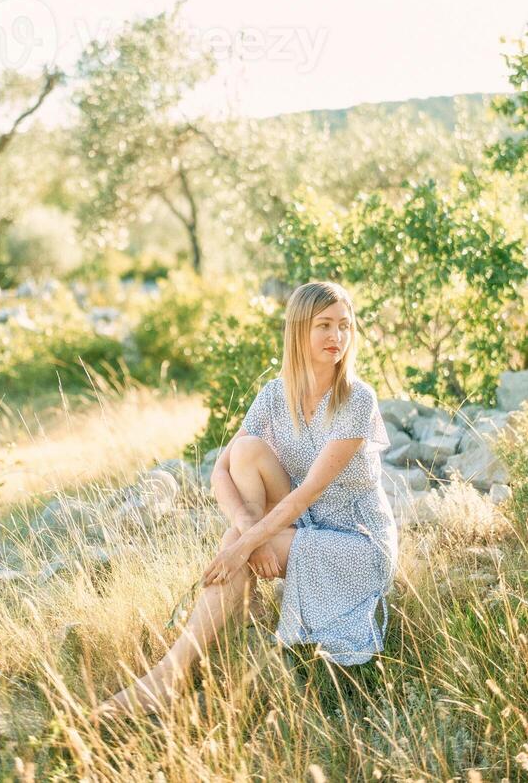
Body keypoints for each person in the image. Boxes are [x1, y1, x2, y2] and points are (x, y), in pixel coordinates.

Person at [95, 279, 398, 719]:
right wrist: (244, 528)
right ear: (298, 330)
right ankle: (180, 666)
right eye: (324, 326)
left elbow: (309, 491)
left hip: (356, 541)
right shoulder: (276, 394)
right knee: (246, 450)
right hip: (306, 522)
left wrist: (241, 547)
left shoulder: (356, 399)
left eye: (345, 326)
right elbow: (224, 466)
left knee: (235, 551)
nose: (336, 337)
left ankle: (165, 679)